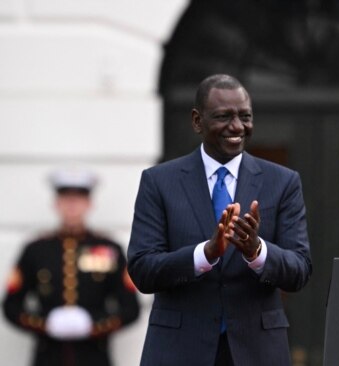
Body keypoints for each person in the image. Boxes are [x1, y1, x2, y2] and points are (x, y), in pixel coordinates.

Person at [127, 74, 312, 366]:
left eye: (245, 116)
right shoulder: (159, 181)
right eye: (224, 116)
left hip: (257, 352)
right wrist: (205, 254)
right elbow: (142, 269)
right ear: (197, 121)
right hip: (179, 352)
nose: (237, 126)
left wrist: (256, 252)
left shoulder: (283, 182)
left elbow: (299, 269)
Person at [2, 169, 140, 366]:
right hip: (47, 357)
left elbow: (130, 308)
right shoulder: (35, 250)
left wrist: (93, 325)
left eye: (79, 199)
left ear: (89, 204)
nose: (72, 206)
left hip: (95, 357)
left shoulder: (109, 248)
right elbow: (11, 306)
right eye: (67, 199)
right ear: (56, 204)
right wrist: (45, 324)